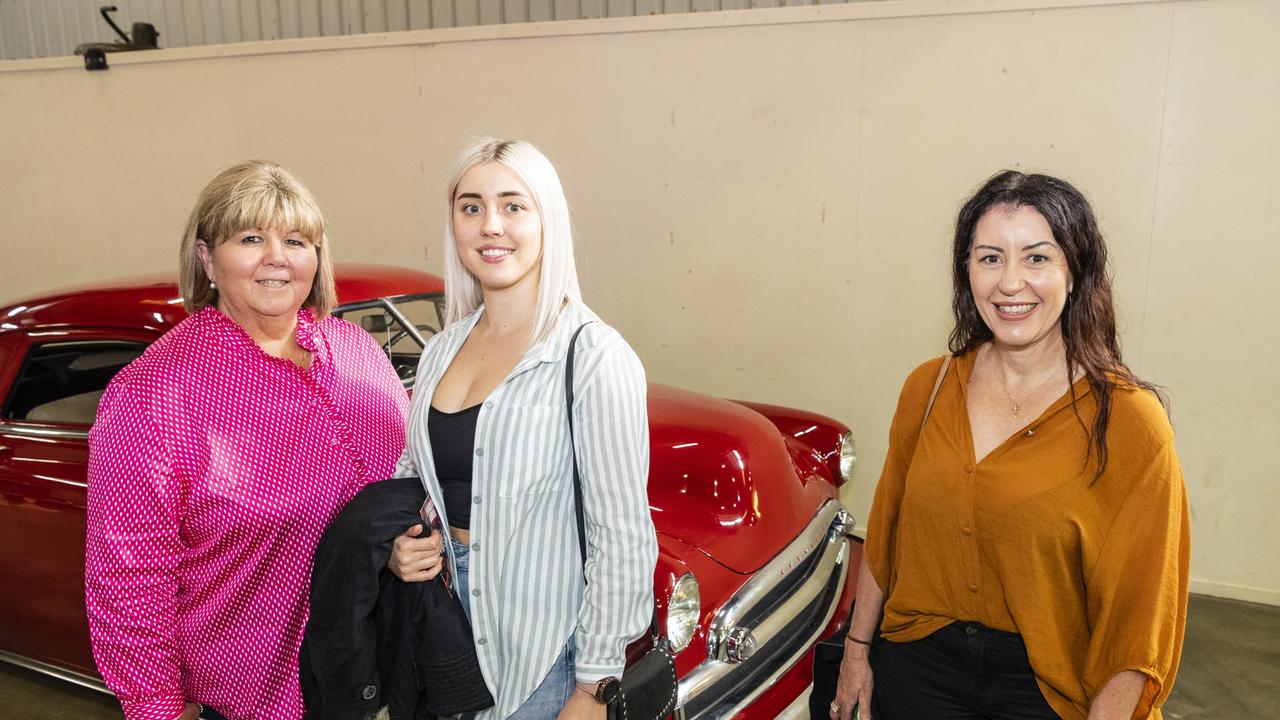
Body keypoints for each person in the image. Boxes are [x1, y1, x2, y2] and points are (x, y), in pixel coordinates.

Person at [832, 171, 1190, 720]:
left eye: (1037, 258)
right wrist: (857, 651)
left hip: (1048, 687)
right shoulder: (928, 388)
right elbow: (887, 530)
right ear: (966, 272)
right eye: (990, 257)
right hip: (917, 669)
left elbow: (1142, 621)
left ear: (1076, 273)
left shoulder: (1128, 422)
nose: (1010, 282)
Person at [84, 160, 411, 720]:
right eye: (251, 238)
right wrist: (157, 707)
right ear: (207, 258)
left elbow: (402, 486)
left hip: (386, 677)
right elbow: (127, 575)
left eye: (296, 240)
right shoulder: (154, 393)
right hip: (257, 700)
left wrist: (410, 543)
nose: (277, 257)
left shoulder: (358, 353)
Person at [385, 138, 657, 720]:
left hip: (544, 659)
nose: (491, 226)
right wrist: (397, 544)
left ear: (546, 221)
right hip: (444, 636)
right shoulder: (440, 350)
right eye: (471, 206)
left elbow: (623, 536)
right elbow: (414, 477)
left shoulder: (591, 356)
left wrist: (594, 686)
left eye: (513, 206)